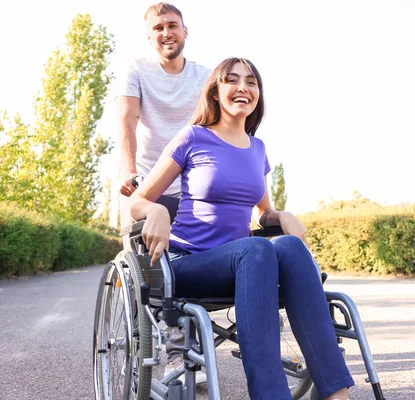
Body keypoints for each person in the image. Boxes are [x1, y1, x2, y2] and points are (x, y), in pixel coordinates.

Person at [130, 57, 355, 399]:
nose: (243, 88)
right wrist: (156, 208)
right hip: (188, 263)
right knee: (257, 248)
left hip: (243, 265)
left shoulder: (257, 148)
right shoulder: (192, 137)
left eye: (251, 82)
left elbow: (261, 212)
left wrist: (280, 216)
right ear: (216, 92)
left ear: (258, 95)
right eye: (232, 80)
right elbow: (139, 200)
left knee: (288, 247)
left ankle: (336, 393)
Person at [114, 1, 211, 385]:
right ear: (150, 36)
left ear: (186, 32)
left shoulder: (205, 77)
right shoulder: (136, 70)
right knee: (148, 275)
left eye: (173, 25)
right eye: (158, 28)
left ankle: (186, 350)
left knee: (189, 269)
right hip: (146, 182)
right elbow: (127, 123)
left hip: (190, 185)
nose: (166, 32)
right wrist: (129, 174)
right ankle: (156, 345)